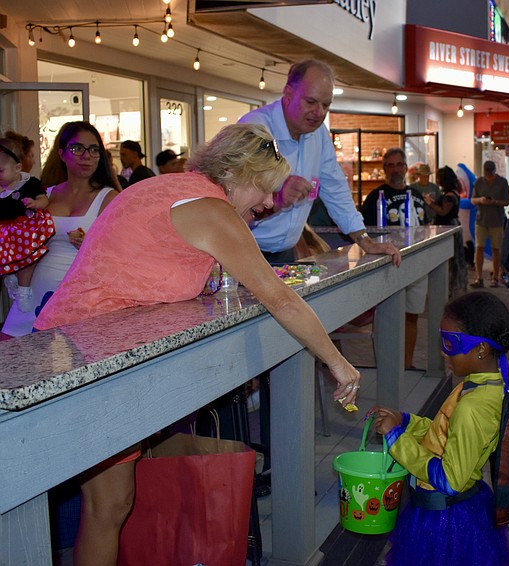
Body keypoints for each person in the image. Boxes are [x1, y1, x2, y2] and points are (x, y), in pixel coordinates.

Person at [34, 123, 362, 566]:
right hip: (88, 356)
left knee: (112, 500)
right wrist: (338, 362)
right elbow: (281, 299)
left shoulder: (171, 187)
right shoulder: (211, 208)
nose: (268, 203)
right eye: (265, 190)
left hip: (75, 343)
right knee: (108, 506)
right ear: (241, 174)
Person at [368, 291, 509, 566]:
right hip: (451, 510)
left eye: (450, 343)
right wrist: (404, 421)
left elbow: (449, 479)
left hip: (445, 523)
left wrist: (396, 438)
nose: (442, 351)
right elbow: (445, 433)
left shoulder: (473, 406)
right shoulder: (481, 385)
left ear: (481, 349)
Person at [238, 59, 399, 266]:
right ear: (288, 94)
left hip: (285, 253)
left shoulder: (319, 134)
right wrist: (278, 198)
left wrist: (364, 241)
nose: (319, 113)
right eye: (311, 102)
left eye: (326, 105)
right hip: (243, 253)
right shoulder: (256, 128)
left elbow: (335, 187)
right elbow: (233, 202)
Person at [2, 121, 120, 338]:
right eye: (77, 148)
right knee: (11, 358)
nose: (86, 156)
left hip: (79, 301)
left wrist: (91, 248)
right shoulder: (45, 193)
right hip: (33, 295)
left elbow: (123, 255)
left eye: (94, 150)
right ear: (62, 154)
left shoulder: (109, 198)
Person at [361, 148, 428, 368]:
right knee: (385, 318)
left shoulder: (416, 195)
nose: (395, 169)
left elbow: (426, 227)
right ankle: (387, 366)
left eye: (399, 164)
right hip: (388, 265)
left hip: (416, 262)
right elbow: (367, 233)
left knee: (412, 314)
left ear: (406, 167)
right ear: (383, 169)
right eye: (389, 165)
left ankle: (407, 365)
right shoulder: (374, 198)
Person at [0, 137, 50, 312]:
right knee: (7, 259)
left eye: (0, 171)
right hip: (5, 234)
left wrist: (36, 204)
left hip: (26, 231)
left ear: (17, 168)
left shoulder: (29, 183)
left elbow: (44, 198)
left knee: (28, 262)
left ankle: (24, 290)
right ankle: (11, 276)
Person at [428, 165, 467, 297]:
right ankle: (454, 286)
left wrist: (430, 204)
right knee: (455, 258)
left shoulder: (450, 195)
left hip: (448, 227)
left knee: (452, 258)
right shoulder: (453, 192)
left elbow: (443, 211)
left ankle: (452, 287)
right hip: (451, 225)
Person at [471, 160, 509, 288]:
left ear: (494, 171)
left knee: (496, 249)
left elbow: (506, 201)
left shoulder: (502, 182)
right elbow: (472, 199)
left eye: (490, 173)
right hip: (481, 219)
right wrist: (481, 200)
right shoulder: (479, 182)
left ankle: (495, 277)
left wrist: (494, 202)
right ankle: (479, 276)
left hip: (496, 220)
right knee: (479, 248)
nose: (488, 176)